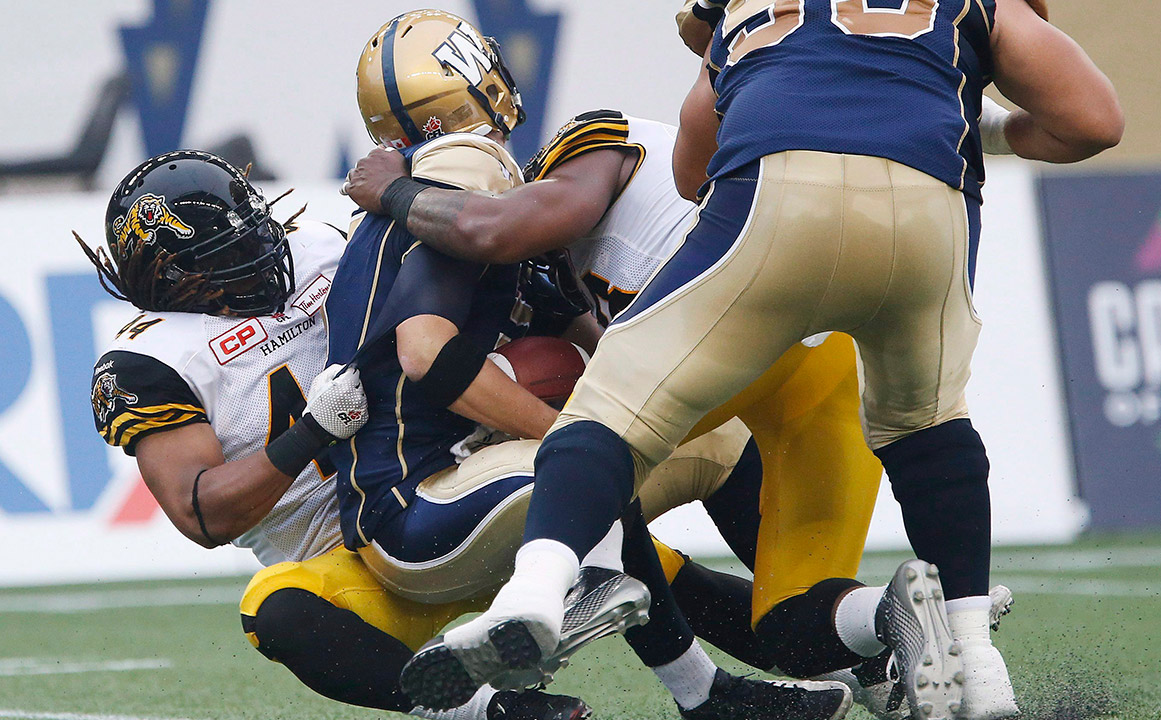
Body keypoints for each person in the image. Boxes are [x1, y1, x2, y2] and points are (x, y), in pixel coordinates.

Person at [409, 0, 1123, 718]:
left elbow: (687, 172)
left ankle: (538, 589)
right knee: (920, 440)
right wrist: (980, 126)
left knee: (603, 419)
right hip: (898, 256)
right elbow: (1096, 122)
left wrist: (395, 191)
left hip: (769, 255)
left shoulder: (593, 139)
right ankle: (958, 648)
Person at [328, 10, 851, 720]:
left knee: (703, 442)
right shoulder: (465, 167)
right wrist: (567, 434)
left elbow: (593, 351)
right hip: (418, 508)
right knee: (592, 449)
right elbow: (424, 351)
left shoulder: (431, 197)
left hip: (442, 488)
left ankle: (741, 671)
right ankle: (578, 592)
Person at [80, 149, 594, 720]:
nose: (262, 253)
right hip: (356, 561)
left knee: (601, 490)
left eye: (257, 231)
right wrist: (311, 433)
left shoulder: (324, 245)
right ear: (175, 276)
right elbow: (203, 514)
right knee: (276, 608)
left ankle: (668, 663)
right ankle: (488, 710)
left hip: (452, 481)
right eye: (231, 251)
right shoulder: (150, 358)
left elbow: (440, 310)